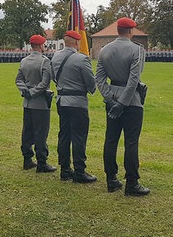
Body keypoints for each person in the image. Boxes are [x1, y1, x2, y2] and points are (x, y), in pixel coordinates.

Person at [95, 17, 150, 196]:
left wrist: (110, 99)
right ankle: (132, 182)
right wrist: (122, 102)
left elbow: (100, 78)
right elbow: (134, 79)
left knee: (111, 139)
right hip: (131, 100)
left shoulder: (105, 50)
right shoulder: (136, 50)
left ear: (118, 30)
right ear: (131, 31)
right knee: (131, 142)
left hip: (113, 96)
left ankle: (111, 179)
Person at [51, 30, 96, 183]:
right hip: (77, 102)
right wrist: (91, 89)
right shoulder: (81, 59)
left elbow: (53, 76)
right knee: (79, 136)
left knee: (64, 135)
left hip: (61, 100)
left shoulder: (56, 56)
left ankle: (64, 169)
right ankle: (79, 171)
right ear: (77, 43)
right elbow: (90, 82)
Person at [15, 34, 56, 173]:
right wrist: (33, 92)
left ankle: (27, 159)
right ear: (40, 46)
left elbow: (18, 79)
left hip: (27, 103)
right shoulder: (44, 61)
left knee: (27, 131)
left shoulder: (24, 61)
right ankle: (42, 162)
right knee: (41, 133)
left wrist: (25, 91)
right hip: (40, 103)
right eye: (44, 44)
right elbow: (45, 83)